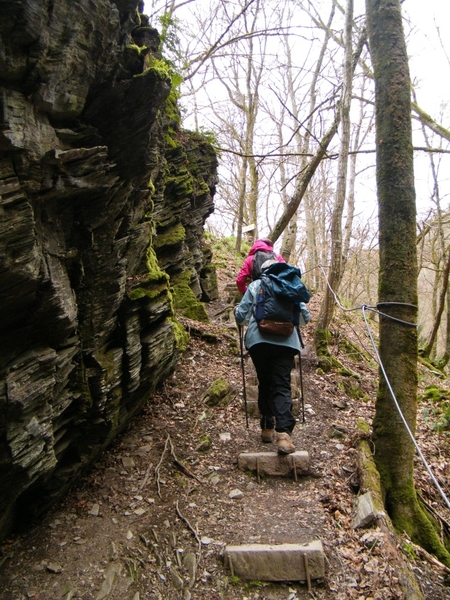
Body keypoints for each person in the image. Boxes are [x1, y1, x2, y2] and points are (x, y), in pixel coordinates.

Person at [234, 260, 310, 454]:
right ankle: (283, 435)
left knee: (265, 382)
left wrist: (239, 314)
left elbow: (241, 315)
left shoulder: (257, 284)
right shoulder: (291, 284)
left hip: (259, 342)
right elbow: (304, 318)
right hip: (286, 343)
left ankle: (267, 427)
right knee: (282, 385)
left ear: (263, 271)